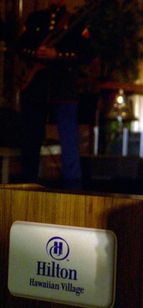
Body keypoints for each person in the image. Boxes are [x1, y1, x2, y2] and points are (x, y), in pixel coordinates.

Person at [16, 0, 92, 189]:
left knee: (69, 143)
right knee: (31, 140)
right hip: (37, 88)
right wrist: (37, 53)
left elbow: (85, 54)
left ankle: (72, 188)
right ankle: (29, 184)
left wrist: (57, 55)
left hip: (63, 88)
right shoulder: (35, 19)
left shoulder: (74, 22)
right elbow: (21, 46)